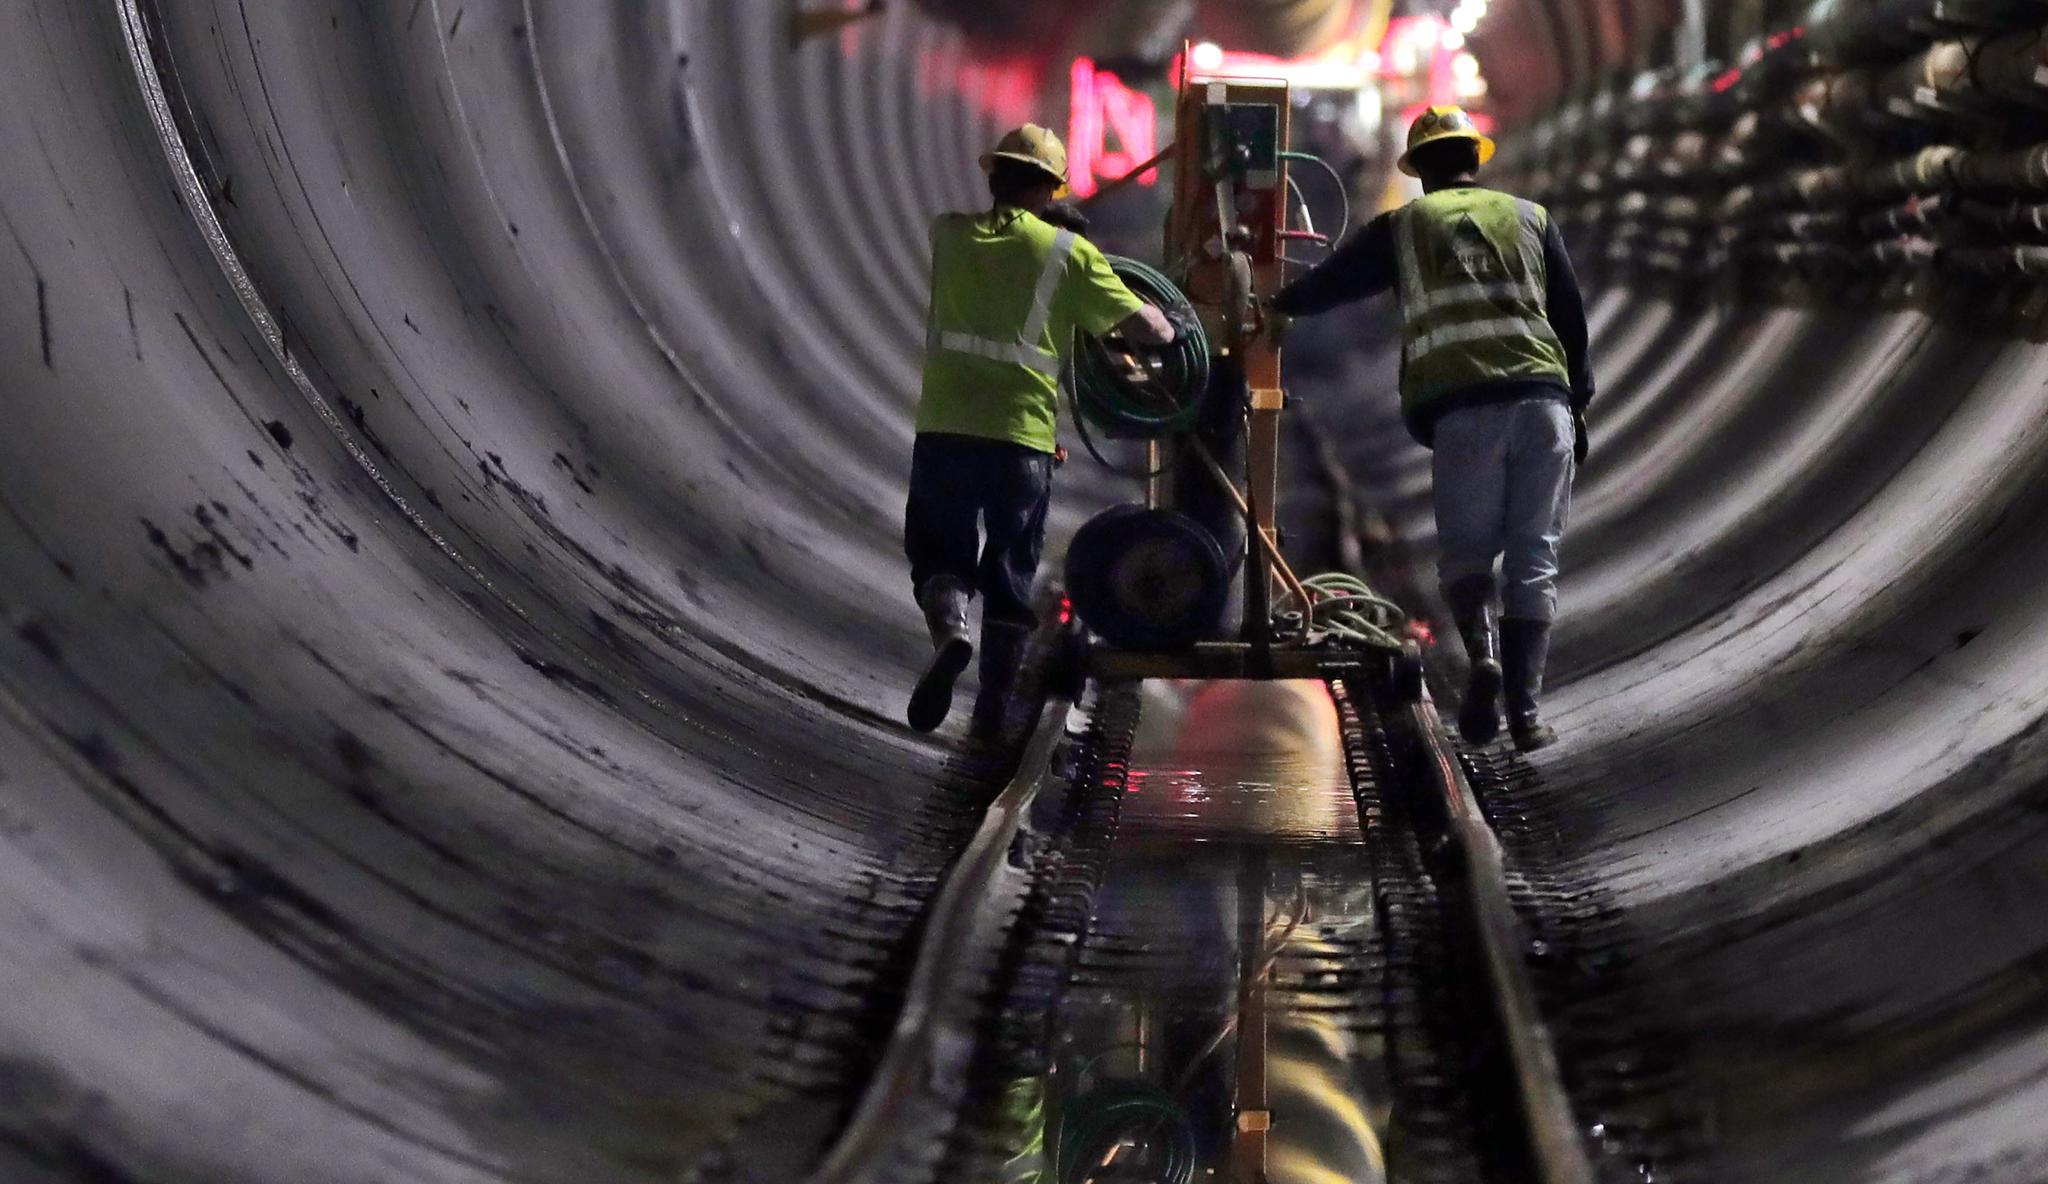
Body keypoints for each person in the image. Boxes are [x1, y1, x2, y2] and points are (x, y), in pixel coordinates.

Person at [1268, 106, 1595, 751]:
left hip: (1461, 408)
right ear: (1475, 160)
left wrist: (1270, 303)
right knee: (1535, 559)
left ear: (1419, 173)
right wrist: (1577, 405)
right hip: (1543, 403)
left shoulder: (1404, 227)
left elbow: (1332, 285)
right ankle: (1525, 716)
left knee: (1468, 557)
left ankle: (1483, 658)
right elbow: (1572, 320)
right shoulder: (1531, 218)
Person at [908, 124, 1177, 740]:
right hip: (1022, 439)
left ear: (995, 178)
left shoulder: (948, 236)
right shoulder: (1069, 256)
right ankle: (993, 712)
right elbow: (1147, 330)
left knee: (938, 554)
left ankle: (951, 628)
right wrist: (1173, 323)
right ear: (1052, 190)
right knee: (1010, 571)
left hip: (946, 427)